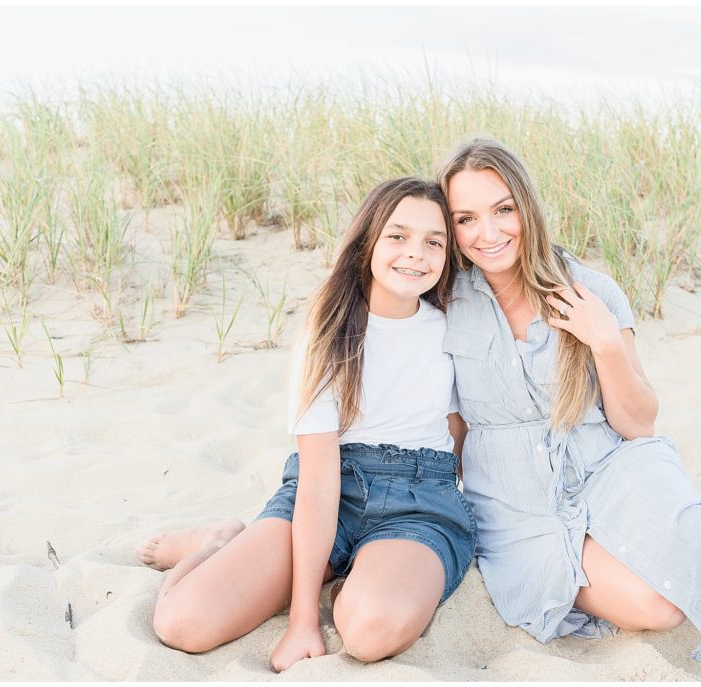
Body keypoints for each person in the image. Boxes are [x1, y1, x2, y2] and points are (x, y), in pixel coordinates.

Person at [436, 139, 701, 663]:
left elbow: (638, 424)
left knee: (669, 562)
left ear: (527, 207)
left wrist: (603, 340)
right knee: (656, 605)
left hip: (611, 468)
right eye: (466, 219)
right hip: (517, 502)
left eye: (503, 209)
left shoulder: (591, 289)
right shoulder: (444, 305)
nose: (487, 234)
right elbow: (455, 431)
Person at [136, 177, 477, 672]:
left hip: (420, 501)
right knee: (182, 625)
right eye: (397, 236)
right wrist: (302, 622)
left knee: (371, 633)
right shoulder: (330, 326)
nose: (415, 254)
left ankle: (358, 575)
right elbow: (318, 485)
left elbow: (460, 431)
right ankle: (220, 541)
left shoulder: (452, 325)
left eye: (434, 242)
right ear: (368, 242)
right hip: (326, 489)